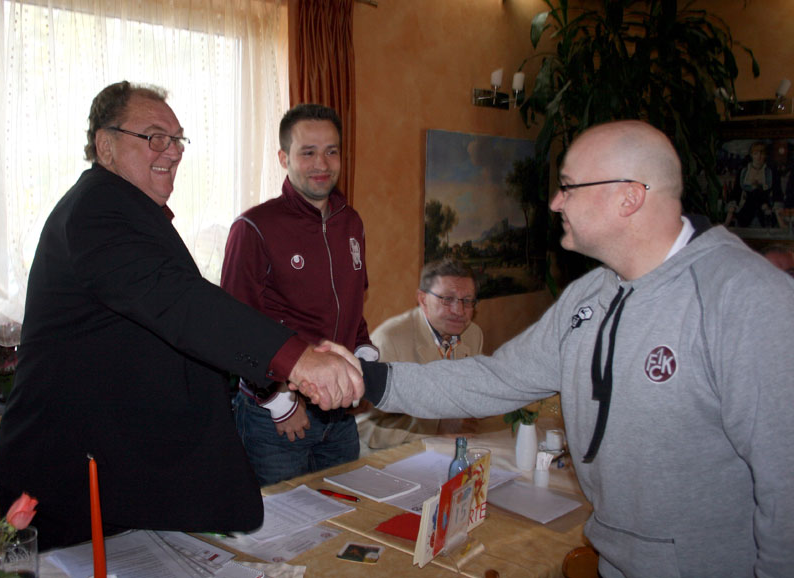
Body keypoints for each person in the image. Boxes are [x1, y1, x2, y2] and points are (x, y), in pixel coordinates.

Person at [340, 120, 794, 577]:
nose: (556, 201)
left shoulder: (746, 298)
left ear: (628, 197)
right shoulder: (588, 297)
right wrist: (371, 379)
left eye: (569, 187)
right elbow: (496, 378)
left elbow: (787, 484)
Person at [0, 82, 362, 551]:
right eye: (154, 137)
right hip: (76, 474)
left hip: (123, 469)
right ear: (105, 145)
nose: (172, 151)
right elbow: (178, 300)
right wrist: (298, 360)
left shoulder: (129, 211)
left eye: (177, 139)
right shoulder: (97, 208)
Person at [221, 103, 378, 486]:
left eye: (332, 151)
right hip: (277, 419)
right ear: (283, 157)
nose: (321, 163)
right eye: (308, 152)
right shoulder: (253, 227)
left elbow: (354, 304)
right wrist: (275, 399)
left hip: (339, 416)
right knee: (276, 540)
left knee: (343, 527)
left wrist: (364, 355)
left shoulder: (351, 222)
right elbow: (232, 327)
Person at [358, 258, 484, 450]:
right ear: (423, 299)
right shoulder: (388, 340)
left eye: (467, 301)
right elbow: (364, 425)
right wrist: (435, 427)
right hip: (391, 456)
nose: (459, 311)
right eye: (447, 299)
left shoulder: (473, 334)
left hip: (450, 447)